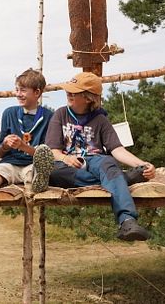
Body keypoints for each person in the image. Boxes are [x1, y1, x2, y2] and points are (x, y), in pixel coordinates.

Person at [44, 72, 156, 241]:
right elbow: (52, 151)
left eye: (75, 92)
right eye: (69, 90)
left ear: (88, 97)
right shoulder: (60, 114)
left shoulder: (100, 120)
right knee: (52, 172)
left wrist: (143, 164)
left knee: (108, 163)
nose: (69, 94)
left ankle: (127, 221)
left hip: (95, 160)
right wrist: (66, 159)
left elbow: (117, 149)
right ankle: (121, 179)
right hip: (67, 164)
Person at [0, 69, 55, 194]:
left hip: (33, 164)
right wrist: (5, 145)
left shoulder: (49, 117)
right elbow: (0, 153)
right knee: (0, 171)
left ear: (37, 92)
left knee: (34, 172)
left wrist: (23, 146)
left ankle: (38, 182)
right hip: (10, 162)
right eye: (17, 90)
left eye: (23, 90)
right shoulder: (9, 113)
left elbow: (46, 155)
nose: (18, 94)